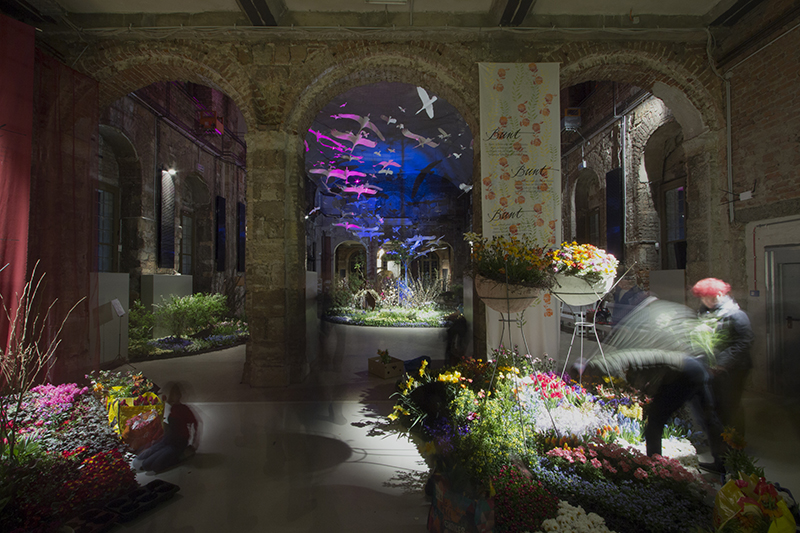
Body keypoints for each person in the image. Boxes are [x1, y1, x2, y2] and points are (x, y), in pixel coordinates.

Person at [581, 296, 725, 464]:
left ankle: (655, 464)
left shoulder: (624, 363)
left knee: (655, 421)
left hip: (683, 373)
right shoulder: (630, 358)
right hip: (695, 367)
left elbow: (645, 382)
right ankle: (723, 461)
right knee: (708, 417)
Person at [691, 278, 754, 435]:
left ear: (720, 294)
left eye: (711, 297)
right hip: (713, 368)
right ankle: (719, 439)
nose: (707, 301)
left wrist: (721, 363)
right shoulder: (704, 313)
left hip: (734, 369)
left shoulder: (736, 315)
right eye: (704, 298)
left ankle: (735, 441)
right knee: (714, 404)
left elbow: (745, 342)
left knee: (730, 405)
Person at [133, 382, 200, 473]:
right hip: (167, 440)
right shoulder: (173, 408)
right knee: (144, 462)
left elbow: (195, 424)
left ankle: (182, 456)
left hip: (178, 443)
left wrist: (194, 443)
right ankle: (159, 456)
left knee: (153, 466)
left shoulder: (184, 409)